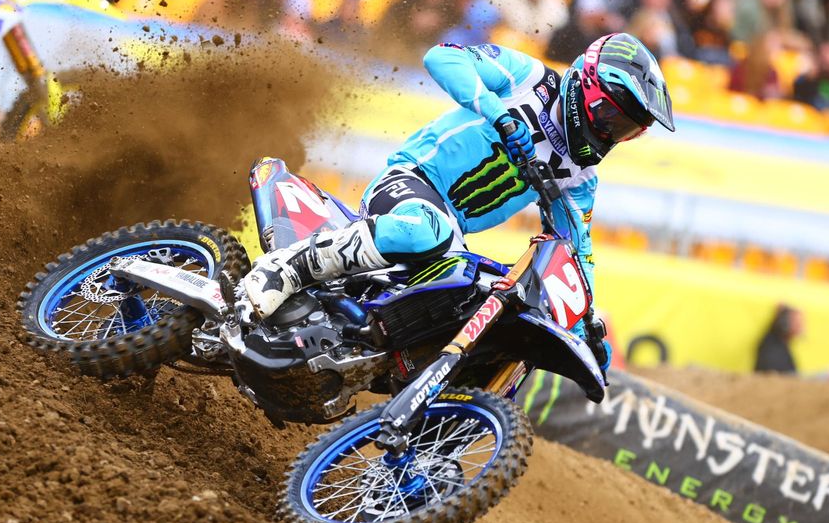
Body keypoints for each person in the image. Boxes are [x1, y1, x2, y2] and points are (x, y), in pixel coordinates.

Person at [240, 33, 676, 370]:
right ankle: (288, 268)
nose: (610, 133)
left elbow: (577, 249)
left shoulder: (580, 176)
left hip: (450, 235)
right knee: (428, 230)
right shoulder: (529, 79)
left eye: (625, 129)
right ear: (587, 85)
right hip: (411, 180)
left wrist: (586, 326)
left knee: (471, 298)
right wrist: (498, 113)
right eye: (611, 116)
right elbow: (442, 57)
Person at [754, 304, 803, 374]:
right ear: (784, 324)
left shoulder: (783, 345)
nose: (801, 328)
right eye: (797, 323)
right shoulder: (771, 348)